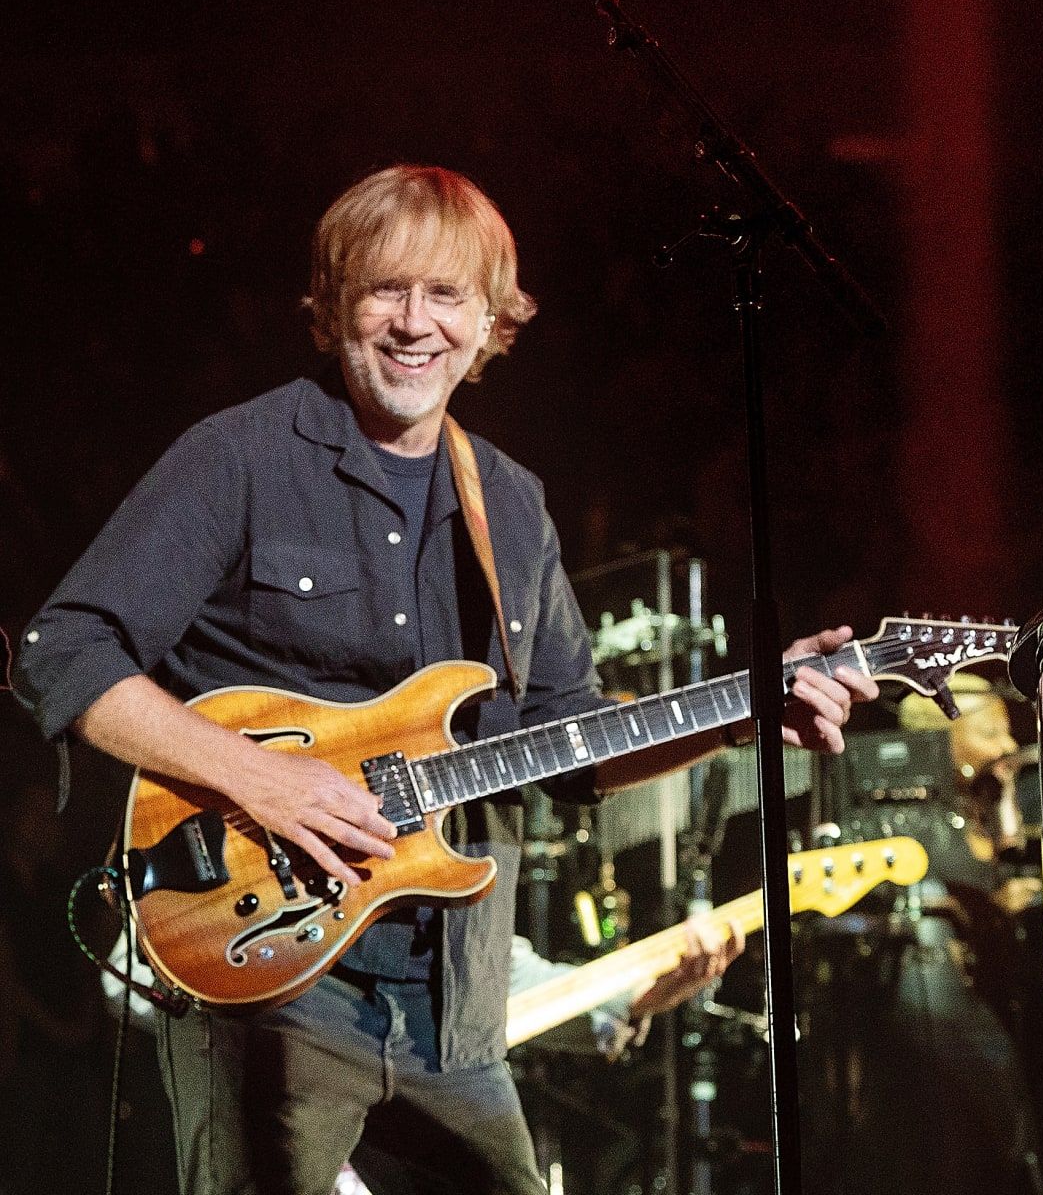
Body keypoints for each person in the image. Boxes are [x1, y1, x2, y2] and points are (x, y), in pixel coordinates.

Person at [14, 163, 876, 1195]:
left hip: (454, 995)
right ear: (331, 310)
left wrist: (746, 707)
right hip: (268, 976)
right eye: (385, 289)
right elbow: (63, 650)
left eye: (446, 295)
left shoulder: (509, 505)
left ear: (490, 324)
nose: (413, 323)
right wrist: (261, 780)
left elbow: (573, 743)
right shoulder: (240, 458)